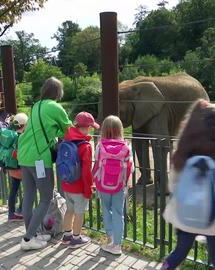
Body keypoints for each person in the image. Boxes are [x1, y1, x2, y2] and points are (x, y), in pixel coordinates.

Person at [161, 100, 215, 270]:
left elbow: (173, 186)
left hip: (185, 214)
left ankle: (165, 267)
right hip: (214, 219)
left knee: (179, 253)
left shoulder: (182, 153)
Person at [18, 77, 72, 251]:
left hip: (24, 155)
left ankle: (32, 234)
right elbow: (69, 129)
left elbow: (43, 128)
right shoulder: (55, 107)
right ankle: (27, 239)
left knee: (29, 197)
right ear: (58, 92)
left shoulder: (36, 105)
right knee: (46, 197)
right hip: (39, 159)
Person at [93, 115, 133, 255]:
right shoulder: (127, 147)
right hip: (119, 186)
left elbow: (97, 165)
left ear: (103, 129)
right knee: (118, 213)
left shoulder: (99, 146)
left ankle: (109, 239)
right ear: (120, 129)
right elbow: (131, 168)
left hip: (103, 185)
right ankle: (117, 244)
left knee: (106, 209)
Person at [60, 112, 99, 248]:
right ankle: (76, 239)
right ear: (86, 127)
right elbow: (86, 171)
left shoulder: (66, 139)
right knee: (80, 212)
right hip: (79, 187)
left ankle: (66, 235)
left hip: (66, 183)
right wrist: (88, 188)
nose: (91, 129)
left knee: (69, 210)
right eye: (90, 127)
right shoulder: (85, 146)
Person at [7, 113, 28, 222]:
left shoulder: (11, 135)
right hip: (23, 167)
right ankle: (21, 211)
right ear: (24, 124)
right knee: (28, 189)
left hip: (12, 166)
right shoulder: (23, 137)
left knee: (13, 190)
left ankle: (11, 213)